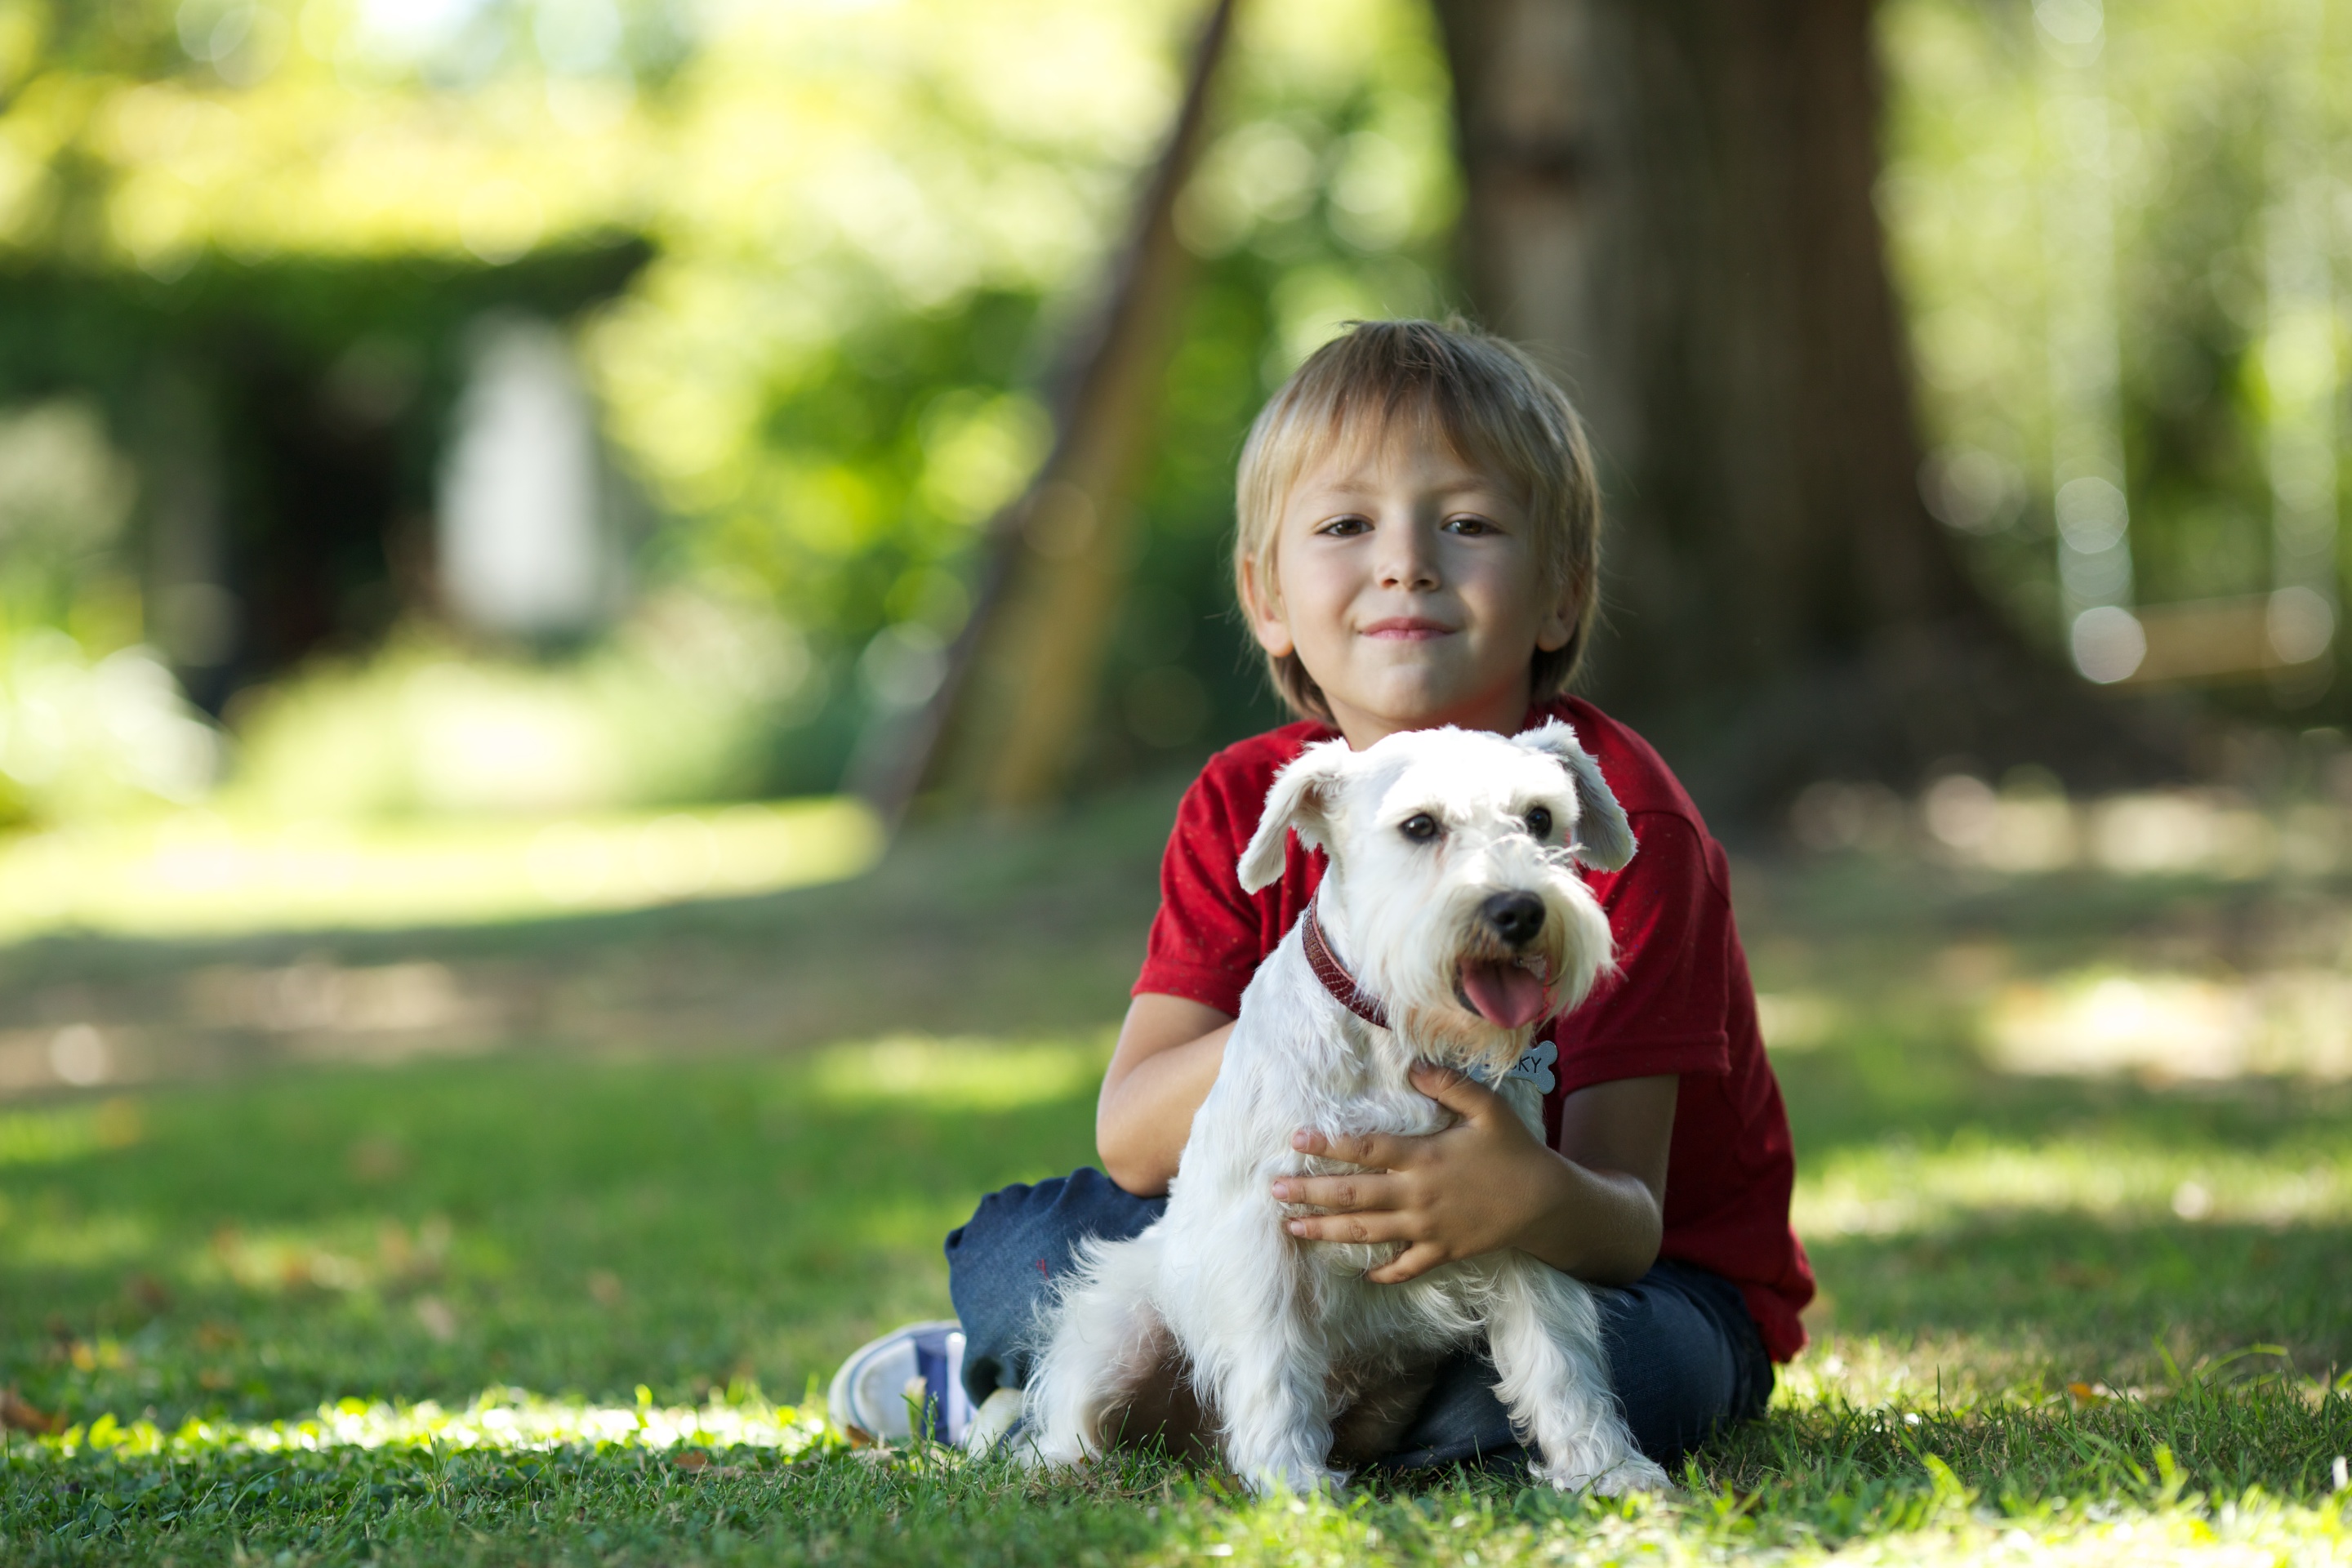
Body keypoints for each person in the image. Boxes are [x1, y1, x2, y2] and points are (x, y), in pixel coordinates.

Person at [829, 318, 1814, 1472]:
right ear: (1268, 600)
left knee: (1620, 1376)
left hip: (1615, 1273)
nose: (1406, 562)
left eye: (1468, 525)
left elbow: (1626, 1219)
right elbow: (1142, 1142)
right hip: (1299, 1237)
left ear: (1560, 594)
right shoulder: (1249, 801)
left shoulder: (1616, 830)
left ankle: (1128, 1405)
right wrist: (1328, 1005)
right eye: (1348, 526)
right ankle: (1094, 1379)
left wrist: (1516, 1195)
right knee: (1030, 1248)